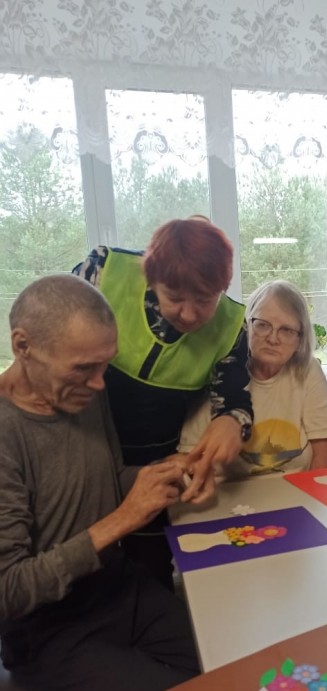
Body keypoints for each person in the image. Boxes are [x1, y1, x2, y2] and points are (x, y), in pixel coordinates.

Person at [0, 275, 223, 691]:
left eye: (106, 364)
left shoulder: (83, 394)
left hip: (118, 590)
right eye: (84, 368)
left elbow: (101, 483)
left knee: (226, 673)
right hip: (47, 631)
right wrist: (125, 517)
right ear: (23, 346)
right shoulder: (7, 434)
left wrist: (161, 476)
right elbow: (8, 591)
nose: (101, 383)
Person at [74, 217, 253, 588]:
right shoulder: (104, 272)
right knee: (80, 574)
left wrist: (231, 422)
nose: (189, 314)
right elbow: (52, 338)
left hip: (155, 470)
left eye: (204, 300)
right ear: (151, 278)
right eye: (174, 297)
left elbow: (235, 397)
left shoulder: (232, 324)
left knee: (149, 579)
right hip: (81, 457)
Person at [180, 280, 327, 476]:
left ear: (300, 339)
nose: (273, 339)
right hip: (233, 492)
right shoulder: (223, 372)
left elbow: (322, 460)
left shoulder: (308, 370)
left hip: (297, 489)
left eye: (286, 330)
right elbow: (188, 457)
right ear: (246, 326)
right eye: (263, 325)